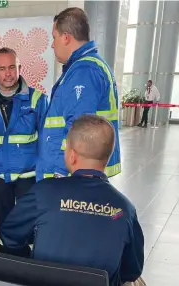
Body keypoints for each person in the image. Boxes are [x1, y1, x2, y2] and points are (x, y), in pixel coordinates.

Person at [1, 114, 144, 286]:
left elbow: (10, 234)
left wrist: (29, 261)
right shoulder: (124, 209)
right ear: (108, 156)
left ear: (72, 156)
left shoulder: (44, 192)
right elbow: (132, 270)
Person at [0, 47, 46, 252]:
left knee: (29, 218)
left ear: (19, 68)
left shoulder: (37, 99)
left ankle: (30, 260)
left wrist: (44, 169)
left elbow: (47, 138)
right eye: (2, 68)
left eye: (12, 67)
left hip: (28, 174)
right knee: (2, 217)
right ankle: (6, 257)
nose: (8, 73)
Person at [36, 7, 121, 180]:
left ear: (66, 37)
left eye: (54, 37)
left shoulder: (84, 72)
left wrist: (60, 175)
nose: (52, 44)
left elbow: (78, 130)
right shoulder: (88, 66)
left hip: (68, 176)